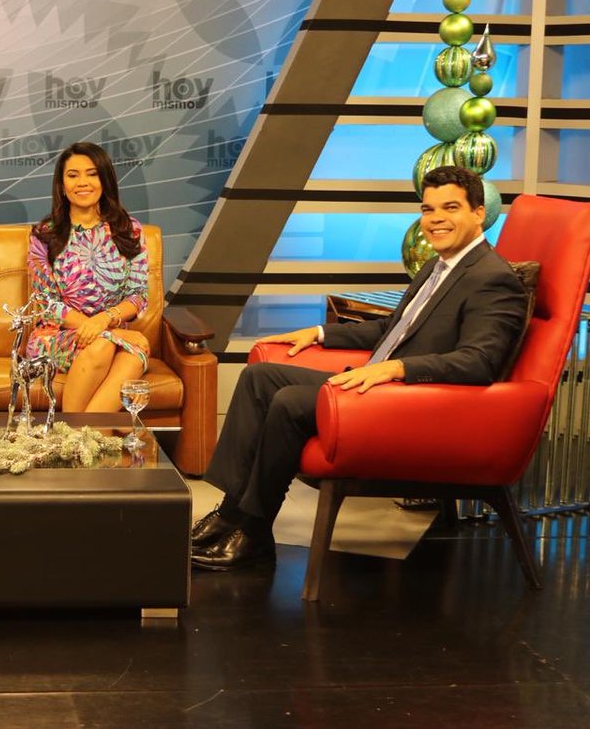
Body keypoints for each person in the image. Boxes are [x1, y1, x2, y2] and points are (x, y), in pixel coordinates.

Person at [192, 165, 528, 571]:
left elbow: (479, 362)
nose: (436, 219)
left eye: (450, 208)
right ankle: (231, 513)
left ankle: (256, 531)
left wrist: (395, 369)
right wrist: (319, 333)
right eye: (428, 209)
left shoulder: (492, 279)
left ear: (479, 212)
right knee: (260, 377)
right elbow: (392, 328)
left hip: (411, 401)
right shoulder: (437, 267)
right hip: (378, 386)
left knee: (290, 401)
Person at [27, 142, 151, 412]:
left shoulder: (129, 230)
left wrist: (104, 322)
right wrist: (105, 331)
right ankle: (97, 432)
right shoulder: (45, 234)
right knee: (104, 346)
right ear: (62, 185)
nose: (82, 182)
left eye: (92, 174)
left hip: (111, 331)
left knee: (133, 355)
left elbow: (138, 295)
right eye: (73, 175)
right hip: (57, 336)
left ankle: (81, 433)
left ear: (105, 180)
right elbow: (45, 303)